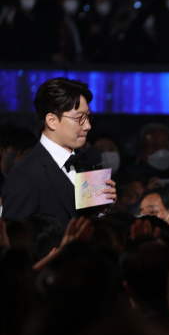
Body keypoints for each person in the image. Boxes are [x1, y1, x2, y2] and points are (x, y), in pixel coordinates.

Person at [2, 78, 116, 225]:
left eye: (88, 116)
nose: (87, 125)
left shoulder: (85, 166)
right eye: (79, 118)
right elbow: (15, 236)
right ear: (52, 121)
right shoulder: (25, 174)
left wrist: (102, 211)